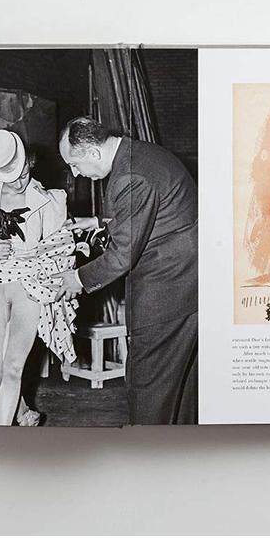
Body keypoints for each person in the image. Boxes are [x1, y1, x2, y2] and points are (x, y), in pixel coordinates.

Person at [55, 117, 198, 425]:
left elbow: (122, 255)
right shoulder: (141, 153)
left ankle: (143, 449)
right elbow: (153, 215)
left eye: (75, 164)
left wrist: (77, 278)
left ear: (93, 153)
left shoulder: (130, 176)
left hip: (166, 291)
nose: (75, 173)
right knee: (181, 390)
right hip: (188, 285)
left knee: (148, 386)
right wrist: (96, 223)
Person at [0, 130, 79, 426]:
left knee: (14, 367)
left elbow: (60, 242)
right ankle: (24, 412)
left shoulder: (49, 200)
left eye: (24, 173)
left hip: (30, 283)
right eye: (12, 177)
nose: (20, 182)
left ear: (30, 163)